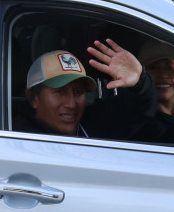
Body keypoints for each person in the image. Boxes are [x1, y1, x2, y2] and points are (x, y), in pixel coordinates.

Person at [17, 40, 156, 138]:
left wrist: (141, 81)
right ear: (34, 98)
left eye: (78, 92)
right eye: (60, 92)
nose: (71, 104)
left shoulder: (94, 125)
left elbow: (139, 110)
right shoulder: (19, 141)